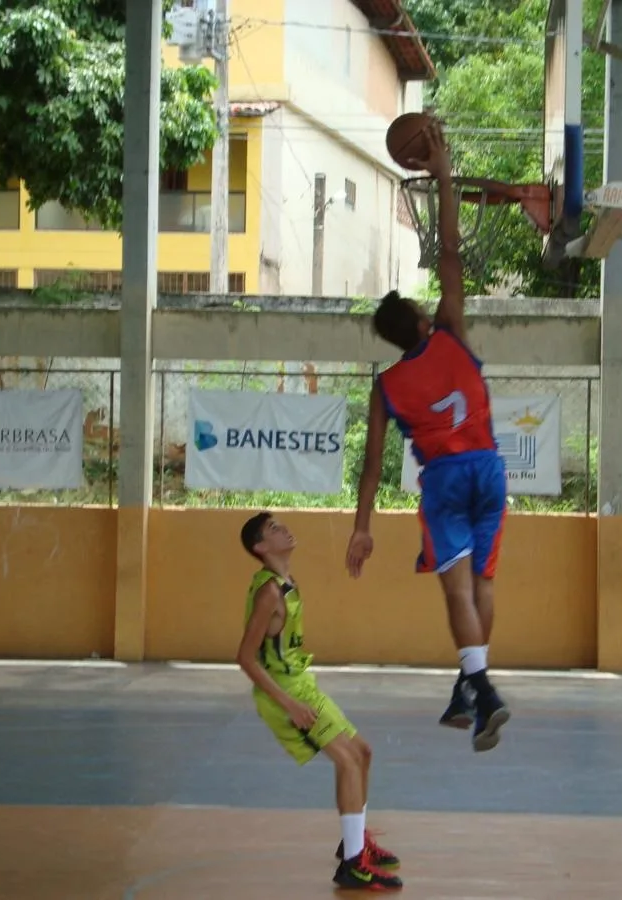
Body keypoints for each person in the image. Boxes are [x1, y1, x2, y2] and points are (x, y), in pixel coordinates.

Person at [344, 119, 510, 753]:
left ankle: (482, 687)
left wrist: (363, 526)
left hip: (443, 482)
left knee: (455, 589)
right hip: (490, 471)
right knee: (484, 586)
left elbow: (370, 468)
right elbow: (448, 255)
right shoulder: (450, 333)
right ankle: (470, 686)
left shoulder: (385, 386)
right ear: (416, 317)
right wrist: (442, 175)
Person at [237, 511, 403, 892]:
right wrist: (289, 705)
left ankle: (354, 841)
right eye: (273, 528)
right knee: (345, 760)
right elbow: (245, 657)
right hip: (285, 693)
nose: (284, 529)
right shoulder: (269, 593)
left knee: (362, 752)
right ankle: (352, 866)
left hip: (301, 683)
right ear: (261, 547)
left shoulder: (286, 581)